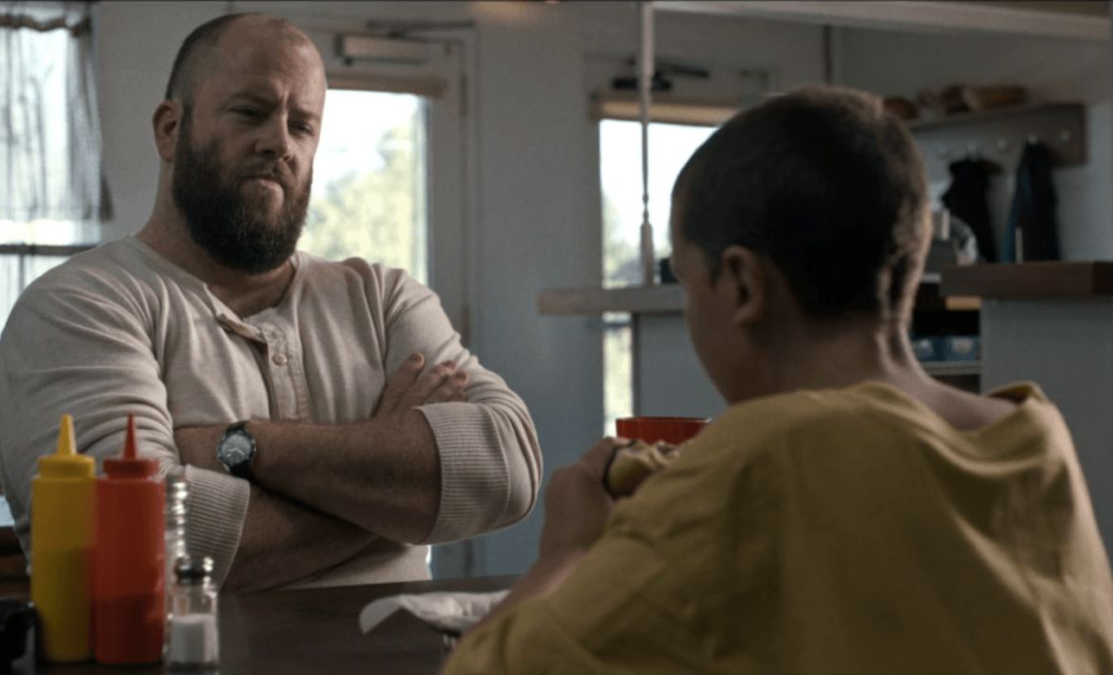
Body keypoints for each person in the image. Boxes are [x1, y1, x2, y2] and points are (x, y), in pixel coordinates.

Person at [445, 86, 1113, 672]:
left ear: (740, 284)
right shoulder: (1032, 434)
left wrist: (568, 548)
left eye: (685, 279)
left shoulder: (766, 454)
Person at [0, 13, 541, 592]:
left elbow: (509, 472)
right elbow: (139, 544)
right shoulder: (77, 306)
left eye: (303, 126)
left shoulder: (384, 299)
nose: (280, 142)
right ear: (170, 130)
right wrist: (394, 487)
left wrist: (241, 446)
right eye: (250, 113)